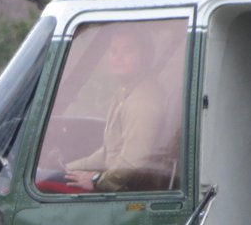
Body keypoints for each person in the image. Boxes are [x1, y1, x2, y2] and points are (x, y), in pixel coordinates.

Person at [63, 29, 178, 192]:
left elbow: (133, 162)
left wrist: (98, 181)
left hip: (128, 193)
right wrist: (67, 169)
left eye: (127, 50)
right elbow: (110, 152)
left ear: (145, 56)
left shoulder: (142, 100)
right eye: (114, 50)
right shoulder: (126, 91)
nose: (118, 57)